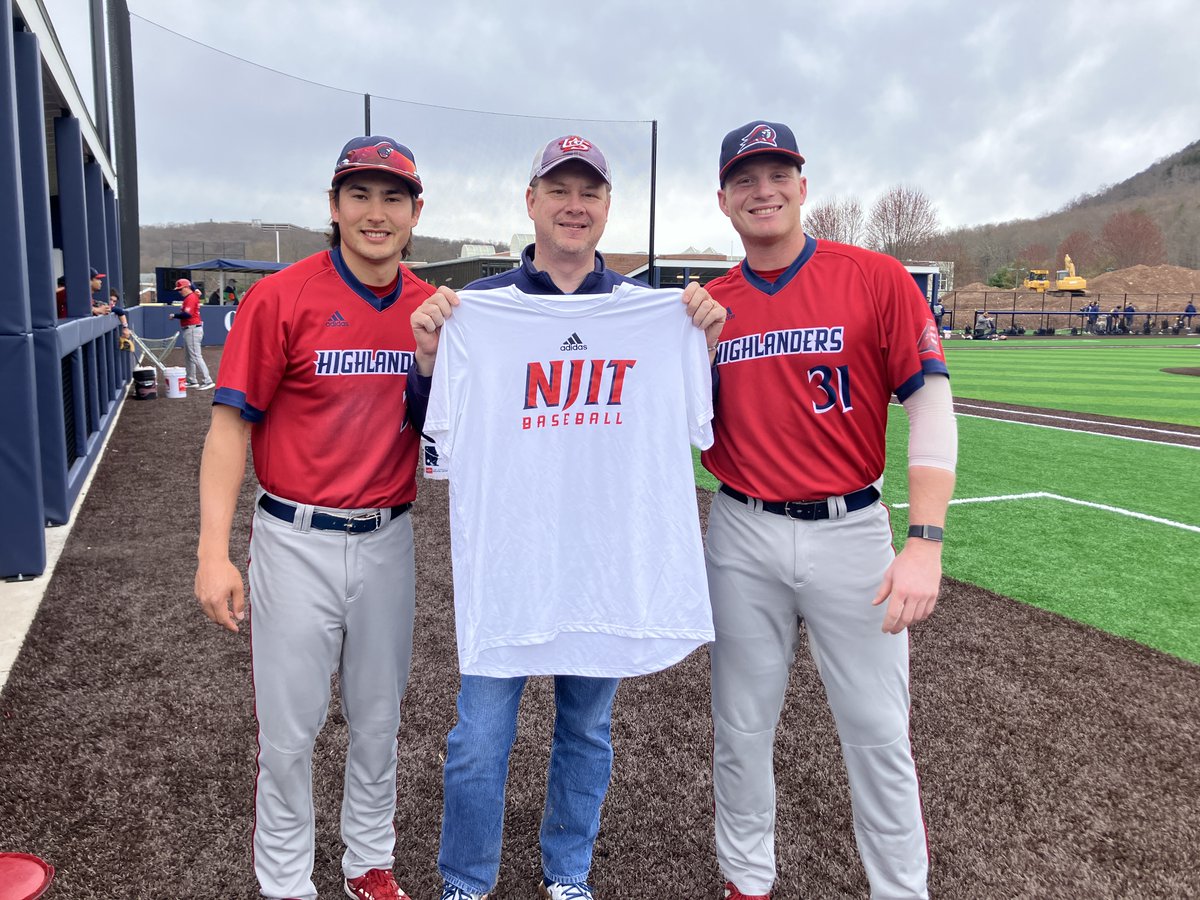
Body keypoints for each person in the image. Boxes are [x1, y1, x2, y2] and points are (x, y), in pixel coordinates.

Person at [408, 135, 725, 900]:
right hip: (509, 564)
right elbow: (433, 437)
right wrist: (428, 357)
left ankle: (568, 871)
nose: (574, 205)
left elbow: (702, 427)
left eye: (590, 192)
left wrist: (704, 343)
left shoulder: (656, 314)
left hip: (604, 566)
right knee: (479, 740)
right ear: (532, 202)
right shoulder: (476, 312)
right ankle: (465, 878)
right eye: (559, 190)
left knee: (585, 730)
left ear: (607, 207)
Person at [701, 121, 956, 900]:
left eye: (778, 173)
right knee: (741, 728)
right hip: (742, 529)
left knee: (879, 734)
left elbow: (932, 405)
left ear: (804, 187)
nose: (763, 190)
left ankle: (900, 890)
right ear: (723, 200)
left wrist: (925, 541)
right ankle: (747, 881)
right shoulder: (706, 308)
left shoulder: (875, 277)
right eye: (745, 179)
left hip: (852, 531)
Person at [193, 134, 446, 900]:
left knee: (378, 720)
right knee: (290, 732)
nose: (376, 212)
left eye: (393, 196)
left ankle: (368, 864)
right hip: (293, 536)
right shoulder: (282, 296)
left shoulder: (430, 310)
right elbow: (229, 427)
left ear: (415, 211)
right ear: (333, 207)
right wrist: (213, 550)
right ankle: (284, 881)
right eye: (359, 195)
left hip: (387, 536)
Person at [168, 278, 214, 389]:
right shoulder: (192, 296)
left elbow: (187, 315)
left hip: (193, 329)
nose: (179, 291)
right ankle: (192, 380)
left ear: (187, 287)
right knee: (189, 356)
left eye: (181, 289)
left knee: (195, 356)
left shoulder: (191, 298)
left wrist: (174, 315)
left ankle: (208, 380)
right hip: (190, 328)